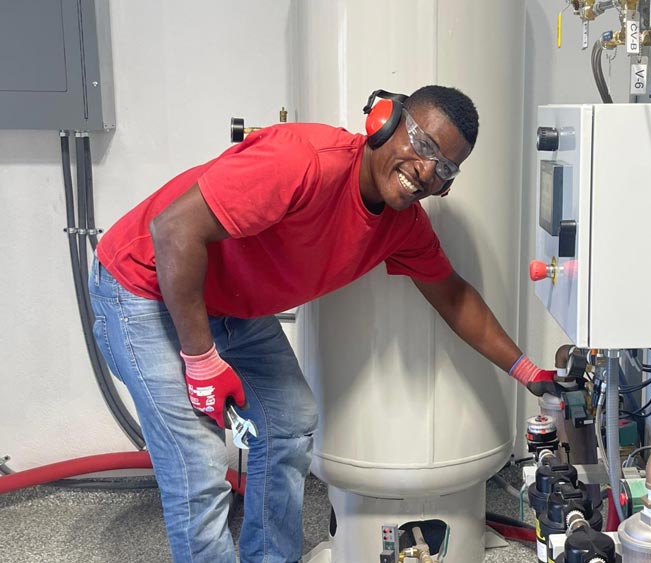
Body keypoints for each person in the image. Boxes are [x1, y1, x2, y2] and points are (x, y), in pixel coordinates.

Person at [88, 85, 556, 563]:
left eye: (444, 167)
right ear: (384, 122)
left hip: (227, 302)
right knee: (199, 469)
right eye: (423, 144)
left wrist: (527, 371)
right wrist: (201, 359)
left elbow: (454, 297)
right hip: (144, 285)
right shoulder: (302, 161)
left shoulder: (403, 227)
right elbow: (173, 230)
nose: (425, 170)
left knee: (289, 422)